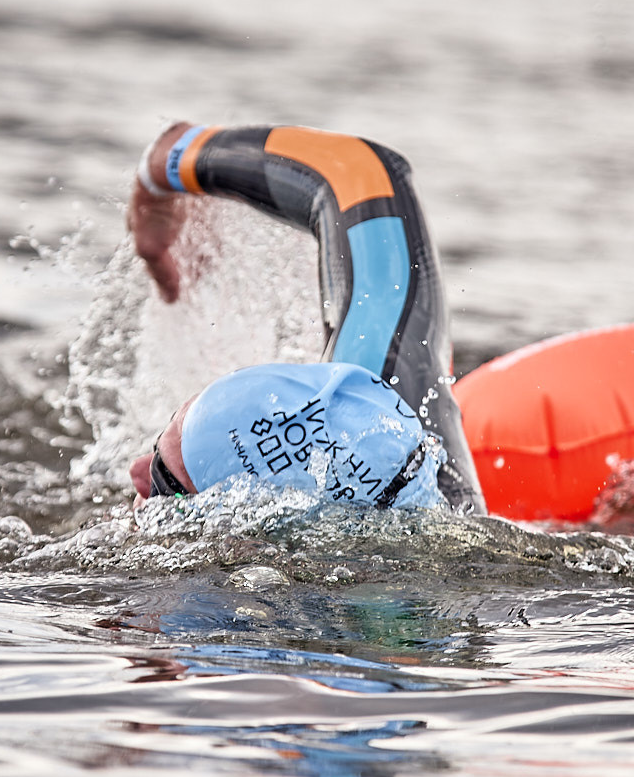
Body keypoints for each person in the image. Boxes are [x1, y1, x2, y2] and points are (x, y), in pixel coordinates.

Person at [123, 121, 485, 514]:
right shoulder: (390, 413)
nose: (136, 472)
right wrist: (169, 167)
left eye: (167, 482)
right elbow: (361, 172)